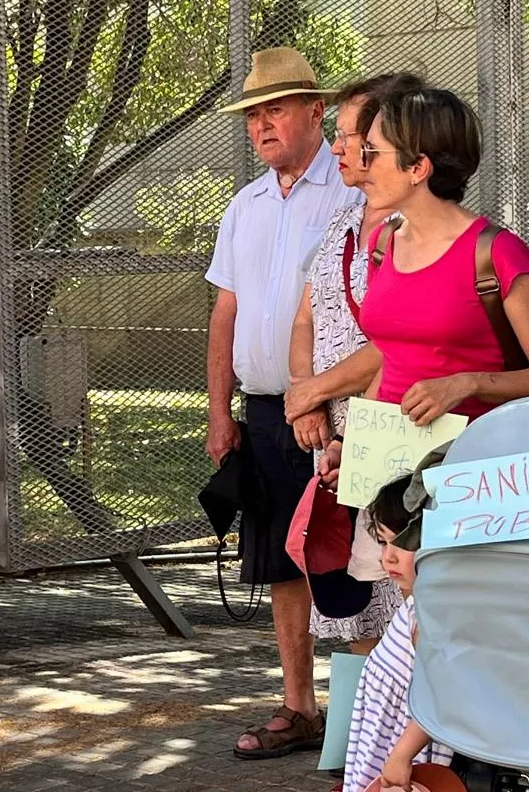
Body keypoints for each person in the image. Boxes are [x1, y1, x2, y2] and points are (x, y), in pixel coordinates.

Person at [206, 47, 361, 759]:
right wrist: (218, 411)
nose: (262, 125)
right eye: (253, 115)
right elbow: (225, 312)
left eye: (275, 109)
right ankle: (300, 706)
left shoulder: (355, 190)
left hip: (343, 410)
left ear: (313, 110)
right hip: (267, 409)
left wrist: (318, 401)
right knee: (280, 559)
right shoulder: (245, 204)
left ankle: (366, 712)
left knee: (351, 555)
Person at [285, 72, 425, 653]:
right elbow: (304, 320)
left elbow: (398, 342)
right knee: (355, 612)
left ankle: (412, 741)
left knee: (403, 605)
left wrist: (311, 390)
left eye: (353, 134)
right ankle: (367, 737)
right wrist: (305, 397)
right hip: (335, 442)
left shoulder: (417, 231)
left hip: (394, 438)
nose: (340, 147)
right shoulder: (341, 226)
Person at [349, 85, 529, 425]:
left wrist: (468, 383)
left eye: (372, 152)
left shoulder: (494, 253)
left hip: (471, 460)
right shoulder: (383, 244)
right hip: (389, 459)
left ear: (418, 168)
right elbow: (392, 359)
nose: (363, 166)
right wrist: (349, 442)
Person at [340, 479, 452, 792]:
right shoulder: (419, 604)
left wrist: (402, 755)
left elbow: (438, 695)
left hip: (404, 752)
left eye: (402, 544)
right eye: (383, 542)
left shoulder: (433, 618)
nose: (387, 557)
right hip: (383, 739)